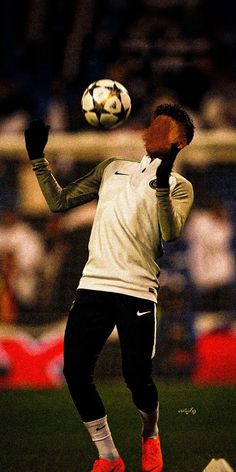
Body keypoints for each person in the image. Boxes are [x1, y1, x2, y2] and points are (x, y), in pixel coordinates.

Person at [24, 103, 195, 472]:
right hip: (94, 284)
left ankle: (150, 434)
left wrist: (164, 183)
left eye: (160, 128)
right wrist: (38, 158)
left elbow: (171, 232)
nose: (148, 131)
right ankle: (108, 455)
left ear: (179, 141)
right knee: (75, 372)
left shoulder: (181, 187)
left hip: (137, 289)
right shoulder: (111, 169)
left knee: (137, 377)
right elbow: (59, 202)